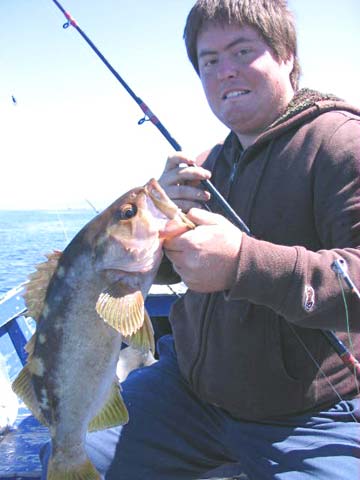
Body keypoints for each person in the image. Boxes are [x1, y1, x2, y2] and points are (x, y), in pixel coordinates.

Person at [41, 0, 360, 478]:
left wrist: (242, 264)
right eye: (209, 61)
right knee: (69, 452)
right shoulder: (212, 162)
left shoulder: (340, 143)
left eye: (242, 51)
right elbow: (179, 267)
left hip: (303, 414)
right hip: (189, 390)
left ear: (287, 56)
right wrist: (163, 225)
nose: (225, 71)